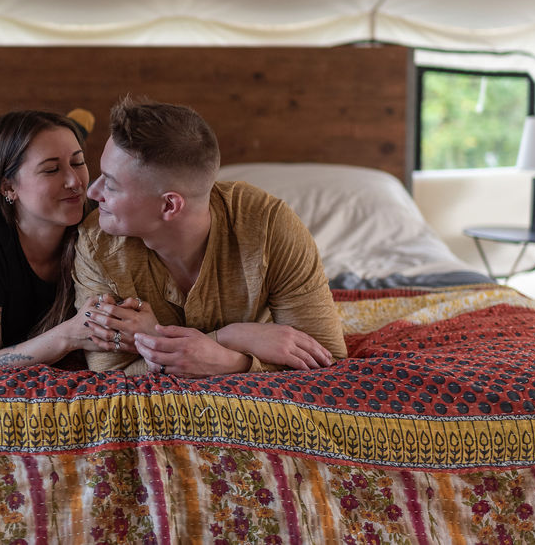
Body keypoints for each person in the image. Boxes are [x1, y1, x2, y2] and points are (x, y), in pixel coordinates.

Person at [74, 96, 348, 377]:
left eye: (111, 184)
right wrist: (232, 340)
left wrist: (225, 358)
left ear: (169, 205)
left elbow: (325, 357)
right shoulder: (98, 244)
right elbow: (110, 375)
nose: (93, 193)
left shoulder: (268, 225)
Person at [0, 109, 108, 367]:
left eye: (78, 162)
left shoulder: (100, 223)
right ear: (9, 187)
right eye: (52, 169)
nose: (75, 182)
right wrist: (69, 335)